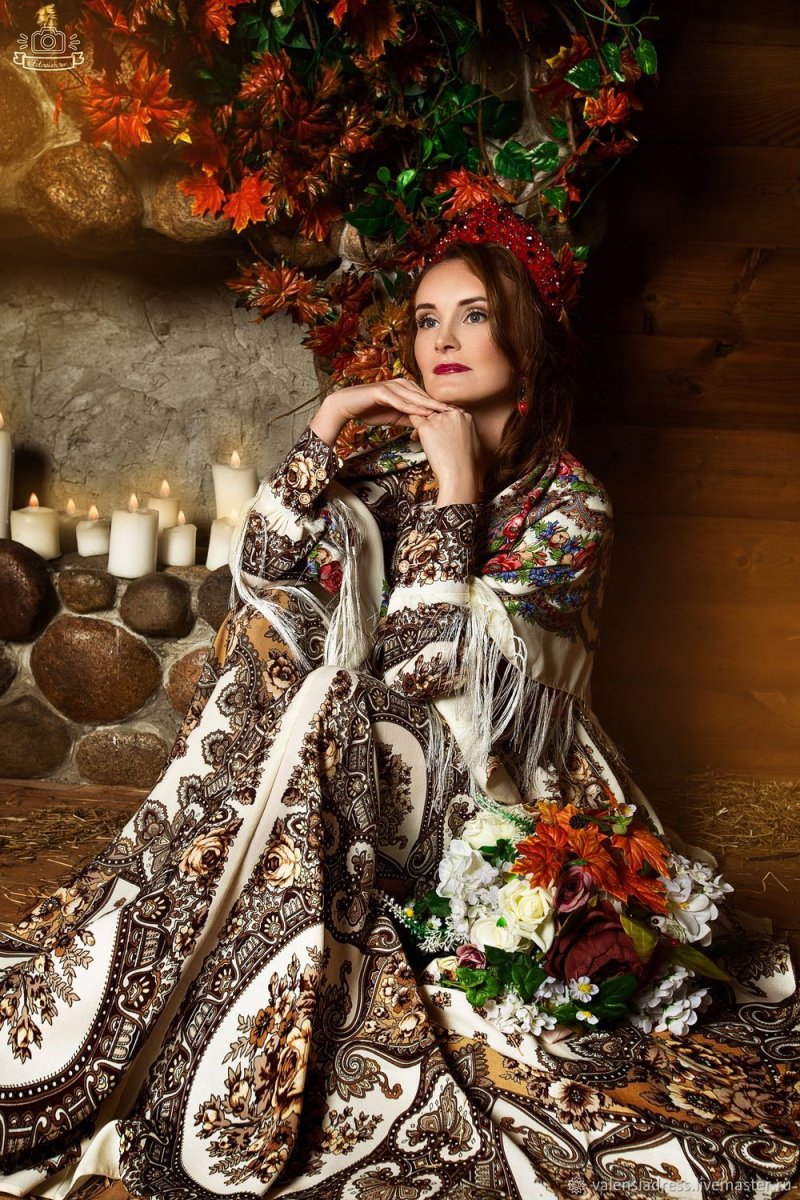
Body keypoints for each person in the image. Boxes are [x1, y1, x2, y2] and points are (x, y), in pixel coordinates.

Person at [0, 203, 798, 1200]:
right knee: (273, 655)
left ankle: (221, 943)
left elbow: (434, 671)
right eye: (426, 319)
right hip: (356, 747)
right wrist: (327, 426)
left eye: (473, 315)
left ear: (524, 336)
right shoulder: (386, 469)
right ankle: (176, 953)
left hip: (493, 786)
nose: (443, 340)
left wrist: (459, 490)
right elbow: (259, 580)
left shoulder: (570, 506)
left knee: (334, 698)